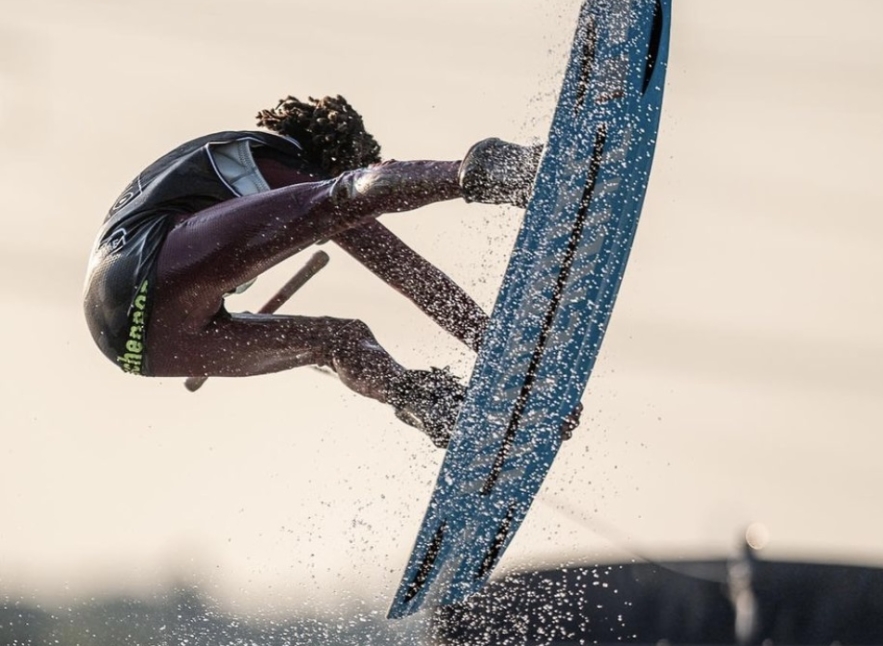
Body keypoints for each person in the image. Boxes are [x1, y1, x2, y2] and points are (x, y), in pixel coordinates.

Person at [83, 94, 545, 447]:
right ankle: (500, 170)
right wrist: (501, 350)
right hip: (147, 271)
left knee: (340, 342)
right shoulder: (277, 160)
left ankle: (436, 408)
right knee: (345, 196)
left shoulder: (208, 181)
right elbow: (402, 268)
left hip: (133, 348)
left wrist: (504, 365)